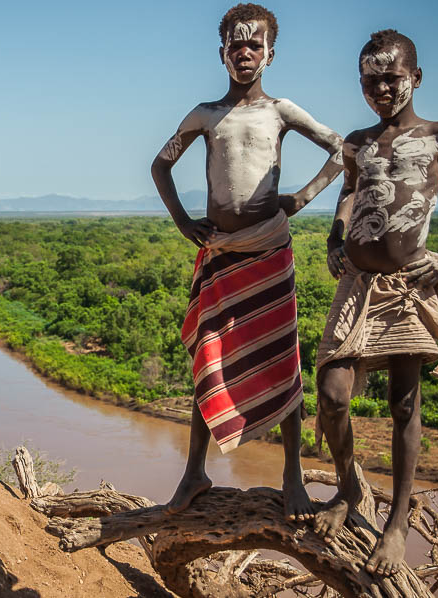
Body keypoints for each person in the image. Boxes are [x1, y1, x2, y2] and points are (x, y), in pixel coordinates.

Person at [313, 29, 438, 576]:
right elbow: (349, 192)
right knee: (332, 394)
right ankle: (348, 488)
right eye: (370, 79)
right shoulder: (357, 142)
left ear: (415, 78)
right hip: (356, 286)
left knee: (404, 404)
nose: (381, 87)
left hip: (407, 287)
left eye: (391, 77)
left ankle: (396, 524)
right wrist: (335, 239)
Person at [151, 3, 343, 520]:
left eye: (253, 44)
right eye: (236, 45)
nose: (244, 52)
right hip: (220, 256)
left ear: (270, 54)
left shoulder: (281, 111)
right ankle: (194, 472)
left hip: (269, 251)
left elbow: (341, 150)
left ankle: (292, 477)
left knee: (282, 360)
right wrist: (184, 223)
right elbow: (160, 165)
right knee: (208, 360)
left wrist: (301, 199)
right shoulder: (205, 115)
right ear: (222, 54)